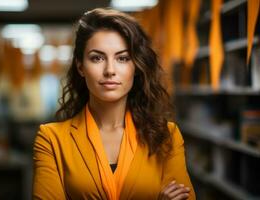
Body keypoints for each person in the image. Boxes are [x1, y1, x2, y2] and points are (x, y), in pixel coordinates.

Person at [32, 7, 196, 200]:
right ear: (80, 67)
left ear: (136, 67)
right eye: (97, 58)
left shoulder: (167, 137)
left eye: (122, 58)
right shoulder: (51, 139)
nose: (110, 70)